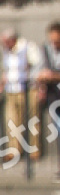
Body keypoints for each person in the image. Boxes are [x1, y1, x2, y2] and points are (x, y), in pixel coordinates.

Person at [0, 28, 41, 167]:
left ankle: (34, 149)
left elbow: (36, 66)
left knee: (32, 119)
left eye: (5, 42)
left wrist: (39, 85)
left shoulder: (27, 47)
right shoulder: (6, 52)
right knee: (11, 120)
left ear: (12, 39)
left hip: (28, 89)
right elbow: (6, 72)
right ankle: (14, 150)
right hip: (11, 90)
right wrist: (0, 86)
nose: (4, 45)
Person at [37, 21, 60, 178]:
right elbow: (40, 70)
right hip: (54, 97)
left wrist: (53, 75)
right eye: (52, 40)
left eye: (57, 41)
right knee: (58, 130)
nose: (54, 44)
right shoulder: (45, 49)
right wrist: (42, 82)